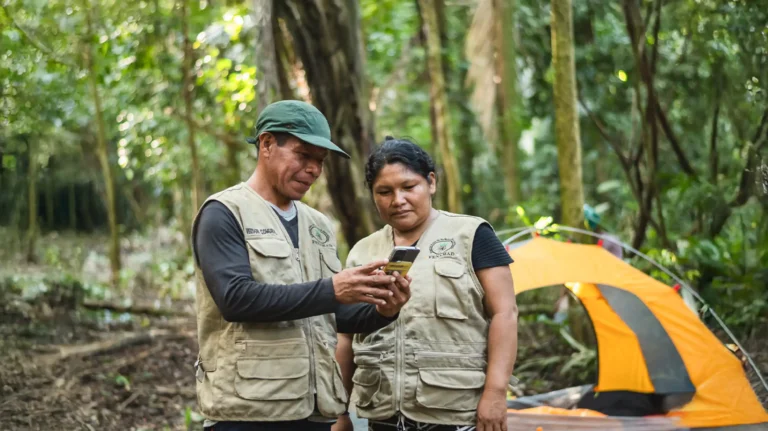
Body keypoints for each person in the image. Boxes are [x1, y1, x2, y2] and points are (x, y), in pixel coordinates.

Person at [191, 101, 412, 431]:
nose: (314, 170)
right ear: (267, 144)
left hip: (313, 410)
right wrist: (333, 289)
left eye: (320, 161)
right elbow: (235, 299)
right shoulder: (224, 212)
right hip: (248, 411)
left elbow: (329, 314)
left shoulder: (318, 225)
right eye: (303, 155)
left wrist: (383, 309)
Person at [333, 137, 519, 431]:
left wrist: (495, 393)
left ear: (431, 182)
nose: (398, 200)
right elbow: (345, 335)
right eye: (384, 191)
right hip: (383, 417)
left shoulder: (472, 235)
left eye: (409, 187)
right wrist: (339, 410)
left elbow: (505, 314)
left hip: (455, 415)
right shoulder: (362, 252)